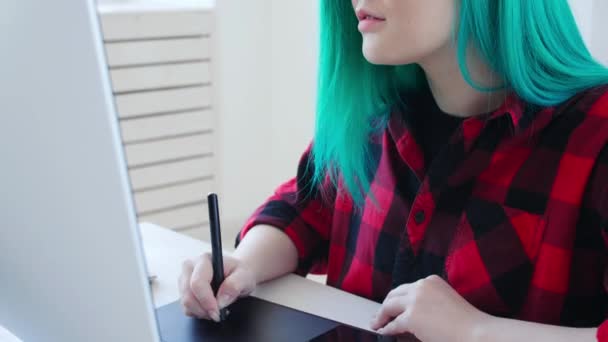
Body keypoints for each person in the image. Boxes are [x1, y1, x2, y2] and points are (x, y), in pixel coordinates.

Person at [179, 1, 608, 341]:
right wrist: (242, 265)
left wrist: (476, 331)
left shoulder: (596, 133)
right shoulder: (372, 120)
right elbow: (304, 206)